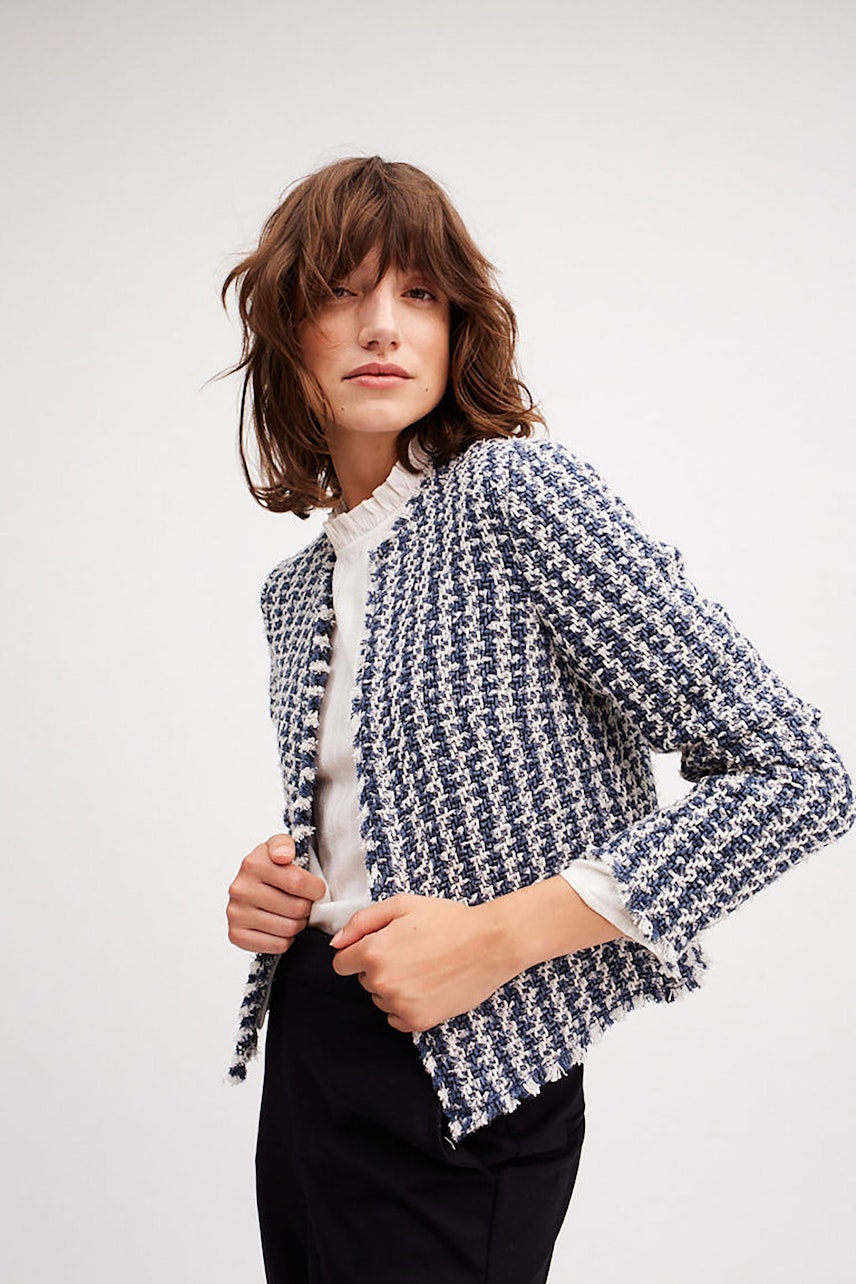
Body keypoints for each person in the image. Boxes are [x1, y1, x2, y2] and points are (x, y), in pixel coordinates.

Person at [221, 155, 853, 1284]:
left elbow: (798, 776)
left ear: (459, 326)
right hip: (311, 1053)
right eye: (339, 292)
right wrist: (287, 880)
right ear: (285, 334)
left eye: (418, 293)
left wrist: (493, 940)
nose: (382, 325)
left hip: (474, 1073)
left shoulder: (518, 496)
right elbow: (384, 820)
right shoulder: (294, 590)